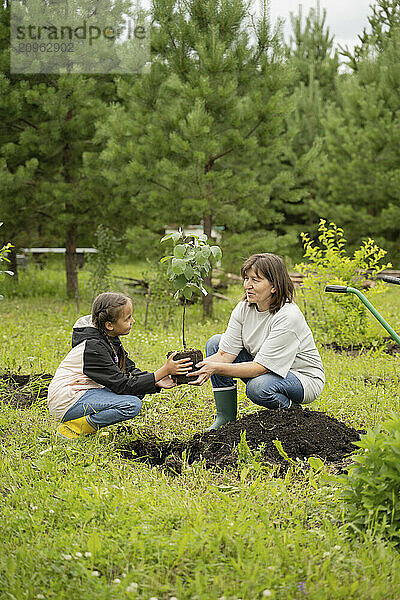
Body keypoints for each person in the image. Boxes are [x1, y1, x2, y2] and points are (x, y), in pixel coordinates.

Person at [188, 253, 325, 430]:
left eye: (256, 280)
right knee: (216, 343)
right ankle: (225, 417)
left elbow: (260, 368)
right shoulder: (244, 307)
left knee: (258, 388)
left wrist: (214, 368)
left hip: (301, 377)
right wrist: (192, 368)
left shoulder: (288, 316)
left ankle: (295, 413)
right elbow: (224, 355)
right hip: (266, 365)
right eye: (246, 278)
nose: (248, 285)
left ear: (274, 286)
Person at [48, 292, 192, 439]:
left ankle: (84, 423)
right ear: (109, 325)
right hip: (67, 400)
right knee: (131, 405)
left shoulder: (107, 337)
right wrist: (163, 371)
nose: (133, 321)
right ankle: (74, 428)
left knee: (139, 390)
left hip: (84, 392)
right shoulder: (94, 347)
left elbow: (128, 369)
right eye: (127, 318)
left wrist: (156, 381)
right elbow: (123, 385)